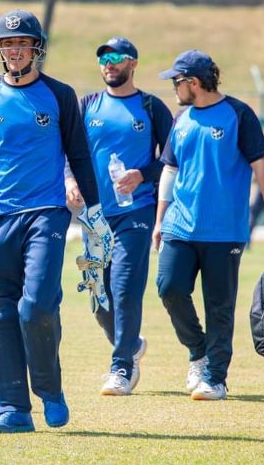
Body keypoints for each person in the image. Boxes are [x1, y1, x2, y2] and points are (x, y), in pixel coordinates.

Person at [0, 9, 110, 434]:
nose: (14, 51)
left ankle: (49, 390)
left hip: (45, 213)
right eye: (7, 45)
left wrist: (96, 211)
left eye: (22, 44)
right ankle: (12, 409)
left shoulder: (60, 95)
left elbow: (80, 154)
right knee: (0, 314)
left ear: (36, 49)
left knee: (36, 307)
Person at [154, 49, 264, 400]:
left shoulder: (239, 114)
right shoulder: (181, 120)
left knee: (220, 305)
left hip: (224, 229)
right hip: (179, 225)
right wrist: (159, 220)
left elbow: (261, 167)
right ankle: (198, 350)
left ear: (193, 83)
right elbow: (169, 169)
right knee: (169, 287)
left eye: (176, 82)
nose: (174, 89)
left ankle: (215, 377)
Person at [64, 37, 172, 395]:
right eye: (103, 59)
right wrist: (68, 180)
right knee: (99, 300)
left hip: (136, 212)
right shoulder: (87, 106)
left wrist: (142, 175)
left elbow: (171, 160)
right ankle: (131, 345)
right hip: (94, 216)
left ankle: (121, 368)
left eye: (116, 58)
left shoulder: (151, 107)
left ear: (133, 63)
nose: (108, 64)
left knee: (125, 290)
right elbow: (67, 150)